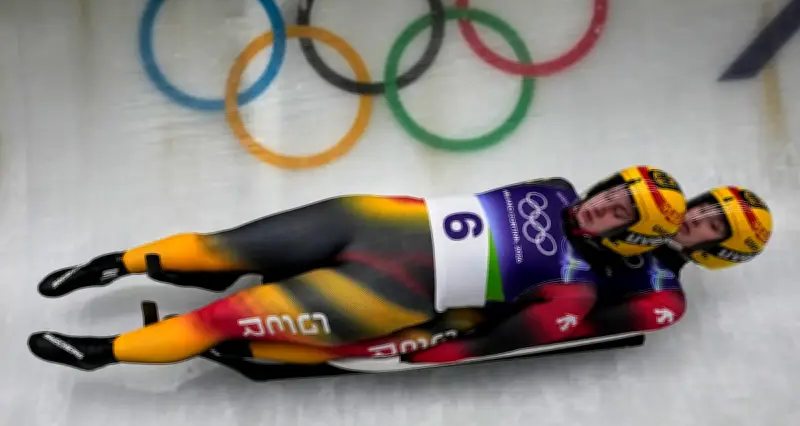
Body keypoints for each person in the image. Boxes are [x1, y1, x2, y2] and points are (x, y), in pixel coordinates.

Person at [27, 165, 687, 372]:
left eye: (620, 211)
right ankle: (114, 264)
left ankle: (103, 352)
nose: (602, 205)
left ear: (634, 235)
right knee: (218, 245)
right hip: (372, 219)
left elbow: (485, 342)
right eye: (612, 192)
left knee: (220, 319)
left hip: (386, 291)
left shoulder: (575, 287)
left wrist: (405, 349)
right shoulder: (555, 187)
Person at [196, 185, 773, 369]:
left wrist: (467, 347)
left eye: (712, 225)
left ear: (719, 249)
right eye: (704, 208)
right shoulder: (640, 210)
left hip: (495, 305)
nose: (696, 218)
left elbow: (570, 330)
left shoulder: (663, 300)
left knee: (380, 336)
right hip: (485, 259)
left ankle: (246, 341)